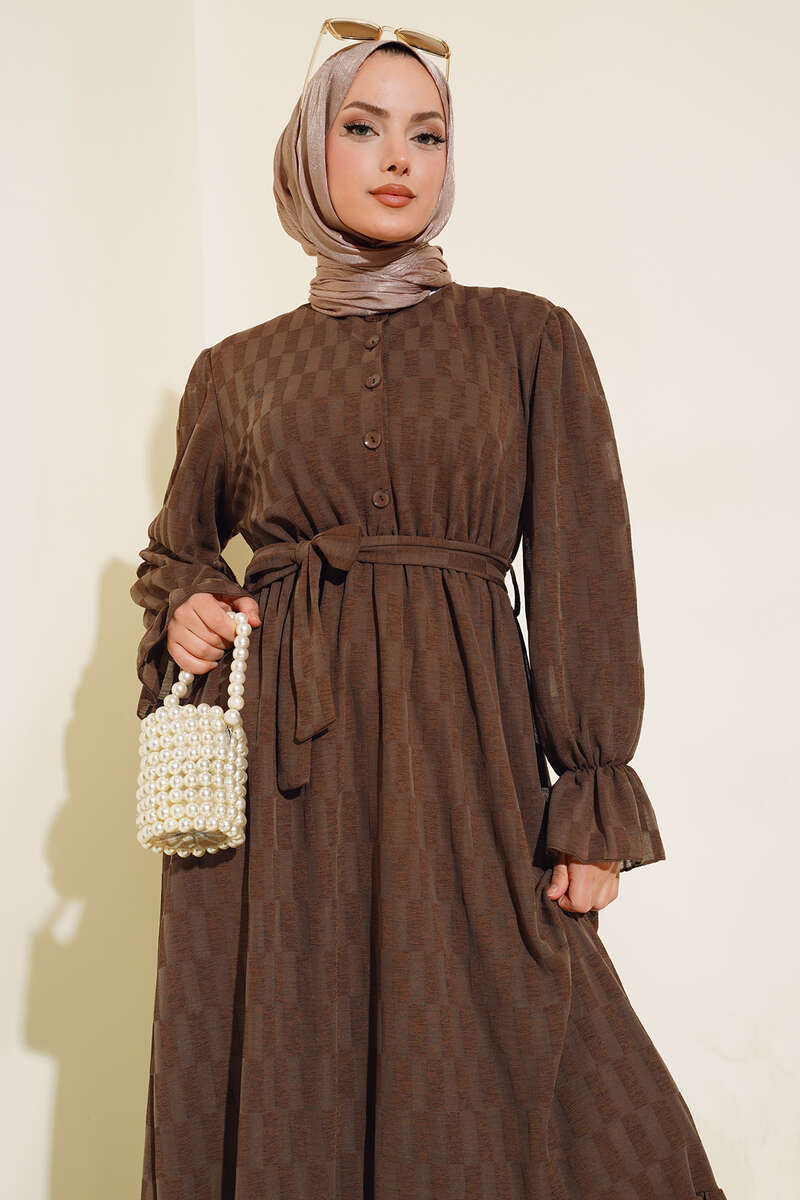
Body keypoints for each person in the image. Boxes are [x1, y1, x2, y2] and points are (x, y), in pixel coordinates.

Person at [131, 30, 727, 1200]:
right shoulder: (233, 371)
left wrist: (589, 795)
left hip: (463, 750)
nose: (398, 157)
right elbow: (176, 553)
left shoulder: (526, 338)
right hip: (284, 779)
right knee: (296, 1046)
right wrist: (189, 605)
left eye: (427, 132)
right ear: (308, 149)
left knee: (519, 1047)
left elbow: (582, 572)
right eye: (361, 127)